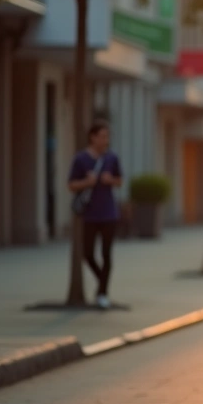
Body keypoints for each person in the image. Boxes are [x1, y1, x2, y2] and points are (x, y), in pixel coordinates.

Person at [67, 121, 123, 310]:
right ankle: (102, 281)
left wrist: (110, 180)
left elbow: (120, 180)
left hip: (109, 213)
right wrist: (87, 182)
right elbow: (71, 185)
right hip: (89, 214)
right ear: (92, 137)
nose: (105, 140)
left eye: (107, 136)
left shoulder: (111, 158)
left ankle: (102, 293)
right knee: (88, 254)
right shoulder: (81, 159)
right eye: (102, 136)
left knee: (107, 254)